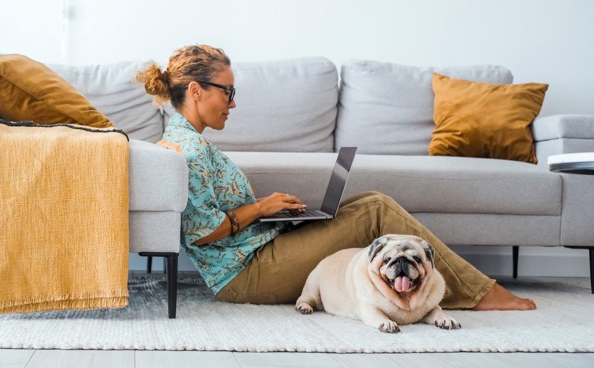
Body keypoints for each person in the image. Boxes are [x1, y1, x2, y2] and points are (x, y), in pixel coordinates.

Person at [136, 45, 536, 310]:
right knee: (376, 209)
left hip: (257, 252)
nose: (234, 101)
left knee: (370, 200)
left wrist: (274, 214)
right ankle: (481, 293)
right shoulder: (187, 150)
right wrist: (261, 208)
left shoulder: (189, 142)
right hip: (244, 275)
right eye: (228, 90)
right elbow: (200, 234)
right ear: (196, 90)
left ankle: (459, 290)